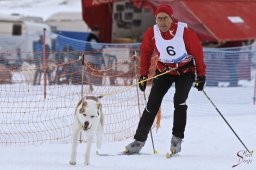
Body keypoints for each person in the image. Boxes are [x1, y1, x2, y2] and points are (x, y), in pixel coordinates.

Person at [125, 4, 206, 155]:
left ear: (171, 18)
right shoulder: (152, 33)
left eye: (165, 18)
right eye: (159, 18)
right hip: (164, 71)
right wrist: (143, 75)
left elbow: (198, 54)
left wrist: (201, 76)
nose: (162, 22)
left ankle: (177, 138)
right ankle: (139, 141)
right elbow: (146, 52)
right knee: (152, 104)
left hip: (185, 71)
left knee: (179, 101)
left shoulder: (185, 33)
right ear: (155, 19)